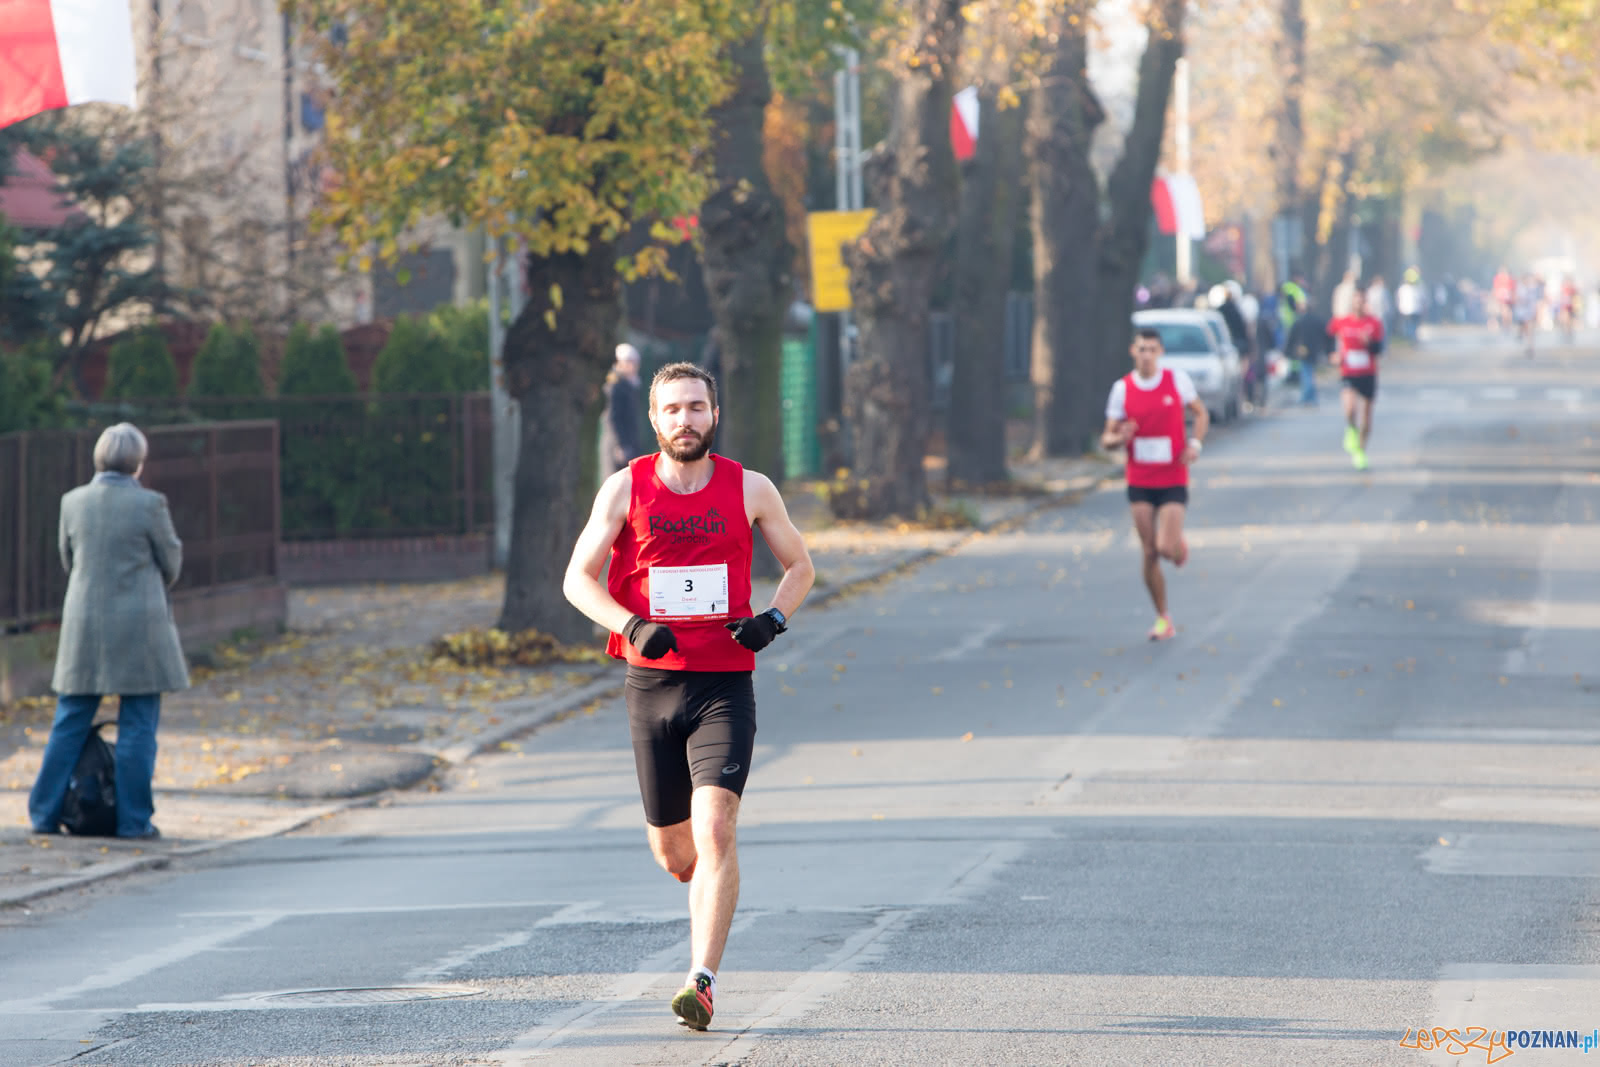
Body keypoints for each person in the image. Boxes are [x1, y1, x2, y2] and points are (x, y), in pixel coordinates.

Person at [562, 362, 815, 1031]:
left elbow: (801, 564)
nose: (685, 420)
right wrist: (630, 623)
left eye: (696, 407)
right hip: (651, 687)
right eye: (672, 409)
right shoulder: (625, 488)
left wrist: (773, 618)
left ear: (715, 413)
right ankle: (707, 883)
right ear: (654, 419)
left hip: (724, 685)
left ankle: (700, 980)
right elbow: (577, 579)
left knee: (717, 829)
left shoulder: (750, 487)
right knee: (677, 854)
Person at [28, 423, 188, 840]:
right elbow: (171, 564)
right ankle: (134, 823)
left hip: (84, 626)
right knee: (137, 725)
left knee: (70, 721)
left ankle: (44, 815)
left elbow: (68, 560)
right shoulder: (151, 505)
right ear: (137, 462)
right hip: (140, 628)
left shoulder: (72, 502)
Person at [1100, 328, 1209, 642]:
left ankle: (1176, 546)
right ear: (1133, 352)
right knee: (1149, 552)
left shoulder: (1176, 381)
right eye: (1141, 349)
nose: (1146, 354)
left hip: (1173, 475)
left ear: (1160, 352)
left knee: (1164, 547)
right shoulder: (1122, 389)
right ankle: (1163, 617)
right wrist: (1120, 437)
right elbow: (1106, 438)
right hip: (1140, 479)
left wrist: (1195, 444)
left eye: (1151, 349)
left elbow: (1200, 414)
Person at [1327, 289, 1384, 470]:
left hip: (1368, 372)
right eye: (1356, 300)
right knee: (1350, 408)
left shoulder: (1374, 323)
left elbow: (1379, 349)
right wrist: (1332, 355)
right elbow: (1327, 337)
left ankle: (1361, 451)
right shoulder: (1342, 322)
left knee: (1366, 418)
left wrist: (1369, 343)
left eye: (1362, 300)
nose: (1359, 304)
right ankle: (1351, 429)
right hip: (1348, 371)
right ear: (1352, 302)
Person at [599, 343, 645, 474]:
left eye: (635, 363)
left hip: (630, 446)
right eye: (629, 362)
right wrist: (620, 445)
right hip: (618, 448)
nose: (633, 366)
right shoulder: (615, 386)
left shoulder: (631, 386)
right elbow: (613, 418)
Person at [1284, 293, 1330, 406]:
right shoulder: (1318, 320)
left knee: (1307, 374)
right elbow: (1326, 335)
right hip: (1314, 350)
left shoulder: (1300, 321)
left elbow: (1292, 336)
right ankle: (1311, 397)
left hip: (1303, 350)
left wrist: (1288, 350)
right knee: (1309, 373)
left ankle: (1307, 397)